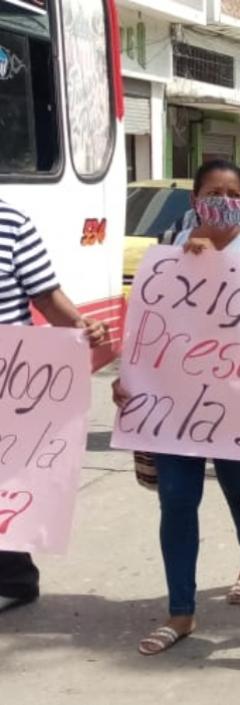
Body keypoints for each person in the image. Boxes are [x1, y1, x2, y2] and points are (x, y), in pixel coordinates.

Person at [111, 160, 240, 656]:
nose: (223, 199)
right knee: (178, 501)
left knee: (239, 485)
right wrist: (130, 379)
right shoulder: (167, 256)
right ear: (195, 200)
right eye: (213, 191)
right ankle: (181, 611)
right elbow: (147, 326)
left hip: (236, 400)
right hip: (175, 403)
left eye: (232, 192)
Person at [0, 199, 110, 614]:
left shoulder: (11, 223)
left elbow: (45, 296)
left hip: (9, 379)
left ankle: (14, 580)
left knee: (3, 481)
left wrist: (82, 327)